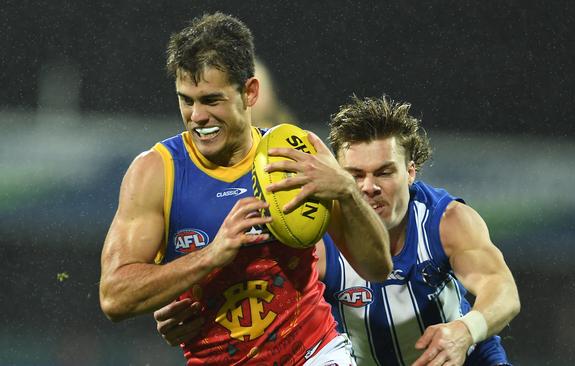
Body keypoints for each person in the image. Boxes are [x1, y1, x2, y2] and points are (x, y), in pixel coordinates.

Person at [99, 12, 392, 366]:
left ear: (249, 92)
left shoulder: (297, 154)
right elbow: (114, 297)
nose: (197, 116)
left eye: (210, 100)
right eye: (186, 100)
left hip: (314, 354)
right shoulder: (156, 173)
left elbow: (377, 267)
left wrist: (347, 190)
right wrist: (210, 256)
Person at [155, 95, 520, 366]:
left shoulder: (445, 220)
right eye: (354, 176)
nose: (368, 188)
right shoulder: (316, 232)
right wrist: (195, 316)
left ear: (411, 172)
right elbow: (261, 290)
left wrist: (465, 331)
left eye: (384, 172)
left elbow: (503, 291)